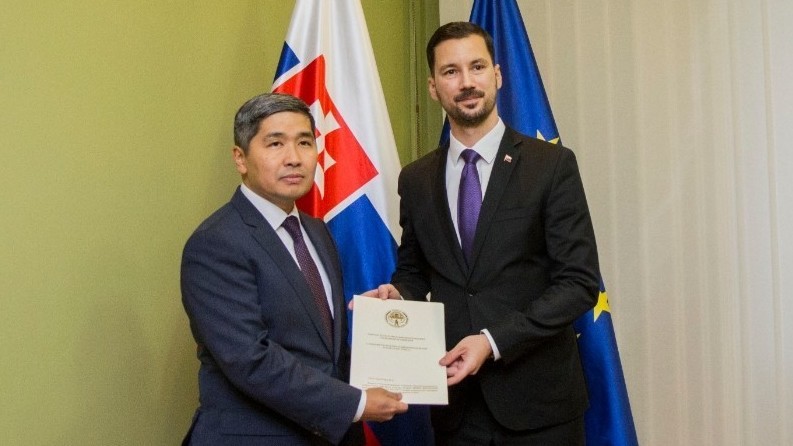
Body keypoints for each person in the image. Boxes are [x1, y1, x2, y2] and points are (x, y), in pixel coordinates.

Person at [366, 22, 600, 445]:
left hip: (540, 410)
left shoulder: (551, 166)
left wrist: (493, 342)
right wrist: (397, 296)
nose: (467, 82)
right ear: (433, 87)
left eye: (476, 67)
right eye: (450, 71)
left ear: (497, 75)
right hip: (457, 411)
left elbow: (578, 283)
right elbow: (415, 271)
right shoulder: (416, 179)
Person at [180, 92, 407, 446]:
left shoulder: (316, 232)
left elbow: (318, 343)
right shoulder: (215, 243)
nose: (294, 158)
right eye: (275, 144)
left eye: (304, 142)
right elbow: (250, 360)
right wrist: (356, 403)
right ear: (240, 158)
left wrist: (374, 322)